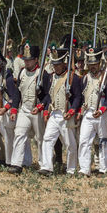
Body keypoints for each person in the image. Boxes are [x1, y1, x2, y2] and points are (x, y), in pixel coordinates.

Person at [37, 34, 82, 176]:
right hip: (54, 113)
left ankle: (71, 169)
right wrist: (45, 109)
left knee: (70, 144)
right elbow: (49, 96)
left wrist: (73, 110)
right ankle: (47, 167)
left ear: (64, 63)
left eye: (58, 64)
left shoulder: (72, 78)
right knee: (47, 139)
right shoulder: (51, 77)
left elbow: (78, 97)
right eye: (54, 64)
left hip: (66, 113)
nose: (55, 67)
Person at [8, 41, 49, 174]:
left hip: (38, 110)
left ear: (36, 60)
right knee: (19, 134)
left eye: (29, 60)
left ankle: (45, 165)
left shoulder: (42, 74)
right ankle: (16, 164)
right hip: (25, 109)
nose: (26, 62)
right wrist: (14, 108)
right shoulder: (21, 73)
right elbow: (17, 93)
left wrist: (41, 106)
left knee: (40, 138)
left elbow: (48, 95)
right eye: (25, 59)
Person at [77, 43, 107, 176]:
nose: (93, 66)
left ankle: (103, 169)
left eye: (95, 63)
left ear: (100, 63)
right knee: (84, 140)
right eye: (91, 63)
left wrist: (102, 109)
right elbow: (82, 96)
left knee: (104, 140)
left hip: (101, 113)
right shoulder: (85, 79)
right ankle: (84, 168)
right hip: (88, 113)